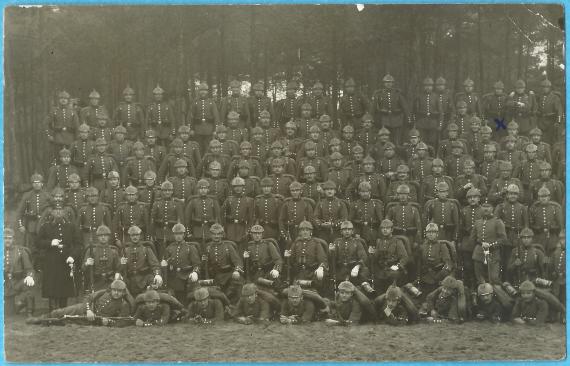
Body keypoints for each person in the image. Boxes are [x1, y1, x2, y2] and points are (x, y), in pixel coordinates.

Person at [28, 280, 133, 327]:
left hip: (94, 321)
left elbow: (122, 322)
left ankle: (46, 322)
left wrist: (108, 322)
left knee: (66, 321)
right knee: (59, 312)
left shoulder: (123, 304)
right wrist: (88, 310)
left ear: (123, 292)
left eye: (119, 291)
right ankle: (38, 320)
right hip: (83, 309)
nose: (116, 292)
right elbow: (88, 298)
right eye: (114, 290)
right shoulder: (103, 292)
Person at [37, 207, 82, 311]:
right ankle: (52, 311)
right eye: (55, 210)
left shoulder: (71, 227)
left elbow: (79, 244)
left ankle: (63, 311)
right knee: (51, 285)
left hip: (66, 260)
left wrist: (73, 256)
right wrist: (50, 243)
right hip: (51, 260)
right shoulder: (45, 226)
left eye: (60, 210)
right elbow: (37, 243)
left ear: (65, 212)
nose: (58, 213)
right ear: (51, 212)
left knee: (64, 285)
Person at [203, 224, 244, 304]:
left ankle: (234, 306)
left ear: (222, 235)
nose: (216, 236)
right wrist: (203, 261)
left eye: (218, 234)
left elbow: (238, 262)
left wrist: (236, 271)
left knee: (238, 283)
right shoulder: (207, 247)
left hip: (228, 274)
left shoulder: (228, 246)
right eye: (214, 234)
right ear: (211, 235)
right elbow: (205, 266)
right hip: (215, 276)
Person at [162, 223, 201, 301]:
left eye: (180, 233)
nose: (178, 236)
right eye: (176, 234)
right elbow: (165, 263)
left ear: (184, 234)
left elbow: (197, 264)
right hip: (173, 277)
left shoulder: (190, 248)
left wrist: (195, 272)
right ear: (173, 235)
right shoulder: (169, 248)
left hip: (186, 276)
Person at [285, 221, 328, 292]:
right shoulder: (296, 243)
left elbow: (323, 260)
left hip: (312, 274)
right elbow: (291, 261)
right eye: (302, 230)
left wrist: (321, 268)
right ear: (300, 232)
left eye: (307, 230)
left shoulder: (316, 243)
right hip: (298, 274)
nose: (305, 232)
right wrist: (287, 256)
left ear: (311, 232)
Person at [470, 203, 507, 285]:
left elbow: (503, 239)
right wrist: (479, 245)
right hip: (479, 253)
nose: (485, 209)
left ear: (492, 209)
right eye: (484, 207)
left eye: (488, 207)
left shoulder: (498, 222)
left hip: (493, 253)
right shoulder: (477, 222)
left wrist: (491, 245)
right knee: (480, 279)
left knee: (494, 278)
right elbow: (472, 238)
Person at [122, 225, 163, 297]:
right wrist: (122, 264)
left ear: (140, 236)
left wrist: (157, 274)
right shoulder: (126, 250)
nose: (135, 237)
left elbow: (155, 264)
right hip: (131, 281)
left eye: (137, 235)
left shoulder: (146, 249)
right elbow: (122, 268)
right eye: (133, 235)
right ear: (130, 236)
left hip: (144, 279)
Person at [16, 173, 51, 255]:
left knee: (43, 244)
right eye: (34, 183)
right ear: (32, 184)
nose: (37, 185)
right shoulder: (27, 195)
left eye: (38, 182)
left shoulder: (47, 196)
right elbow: (20, 212)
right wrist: (20, 225)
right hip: (31, 224)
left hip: (44, 224)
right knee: (32, 245)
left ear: (42, 184)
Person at [371, 219, 408, 294]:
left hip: (394, 268)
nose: (385, 230)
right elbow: (376, 258)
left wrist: (398, 266)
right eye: (383, 228)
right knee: (377, 280)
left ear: (392, 230)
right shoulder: (379, 242)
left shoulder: (397, 241)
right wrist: (372, 253)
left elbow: (405, 257)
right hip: (382, 269)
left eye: (387, 228)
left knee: (393, 279)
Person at [4, 228, 35, 317]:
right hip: (4, 286)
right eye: (5, 238)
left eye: (9, 238)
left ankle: (29, 312)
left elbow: (29, 269)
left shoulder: (20, 251)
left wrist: (30, 276)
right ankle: (17, 306)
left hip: (17, 283)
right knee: (9, 313)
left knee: (28, 284)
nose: (7, 240)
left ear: (13, 239)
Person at [329, 221, 369, 289]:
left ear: (352, 231)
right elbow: (333, 259)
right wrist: (331, 251)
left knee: (364, 272)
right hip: (341, 269)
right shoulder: (337, 242)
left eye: (349, 229)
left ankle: (364, 286)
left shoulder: (357, 242)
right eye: (345, 229)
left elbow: (363, 256)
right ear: (341, 231)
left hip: (353, 268)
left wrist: (357, 266)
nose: (347, 231)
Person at [82, 225, 122, 292]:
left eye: (105, 235)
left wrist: (117, 275)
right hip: (96, 282)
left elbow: (118, 268)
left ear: (108, 237)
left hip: (110, 282)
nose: (103, 237)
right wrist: (87, 263)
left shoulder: (113, 251)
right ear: (97, 237)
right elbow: (83, 268)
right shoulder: (91, 250)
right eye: (101, 236)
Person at [417, 223, 452, 295]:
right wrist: (418, 277)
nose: (431, 234)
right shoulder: (423, 246)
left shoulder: (442, 246)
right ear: (426, 234)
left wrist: (439, 276)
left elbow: (448, 263)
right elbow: (419, 263)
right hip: (425, 275)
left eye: (433, 232)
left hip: (437, 276)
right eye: (429, 232)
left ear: (437, 234)